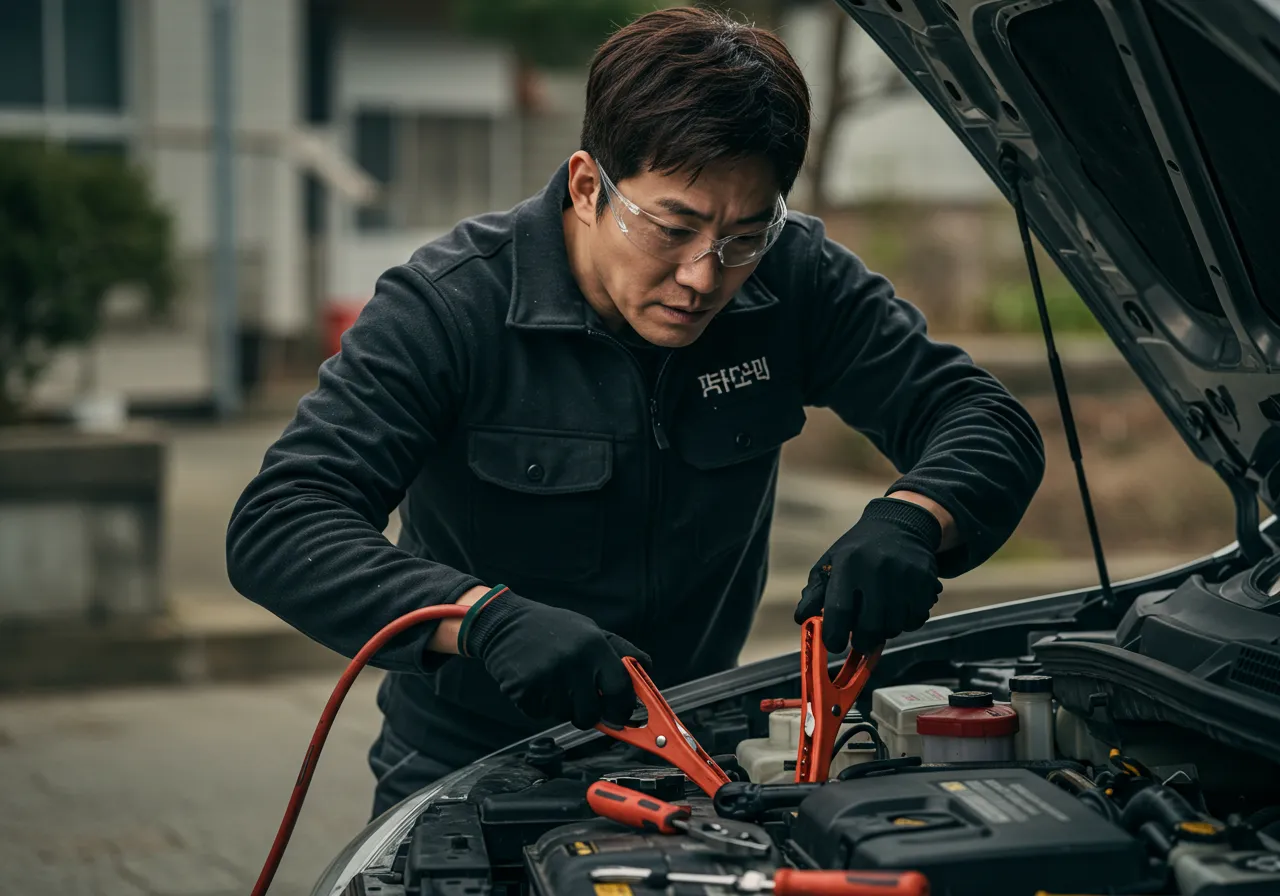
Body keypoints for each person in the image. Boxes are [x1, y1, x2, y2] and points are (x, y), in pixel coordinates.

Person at [226, 6, 1044, 821]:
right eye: (674, 228)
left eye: (743, 235)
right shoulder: (448, 309)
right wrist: (480, 620)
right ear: (588, 186)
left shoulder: (794, 278)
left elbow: (980, 416)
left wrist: (913, 518)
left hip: (698, 757)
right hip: (467, 770)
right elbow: (282, 523)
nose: (704, 276)